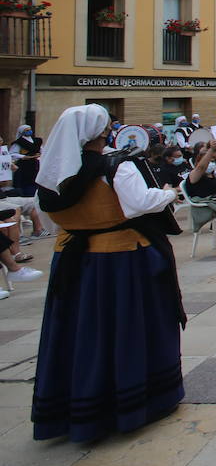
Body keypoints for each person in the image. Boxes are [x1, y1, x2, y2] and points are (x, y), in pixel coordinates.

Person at [32, 104, 184, 442]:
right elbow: (139, 204)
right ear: (102, 132)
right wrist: (170, 193)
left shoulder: (53, 171)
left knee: (78, 330)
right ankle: (131, 401)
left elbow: (44, 213)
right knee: (125, 327)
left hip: (72, 258)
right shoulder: (116, 166)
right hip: (119, 258)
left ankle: (75, 402)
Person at [11, 124, 40, 196]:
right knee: (24, 181)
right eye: (27, 130)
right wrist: (24, 156)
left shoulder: (36, 141)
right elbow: (12, 153)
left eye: (30, 130)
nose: (29, 131)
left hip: (35, 164)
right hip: (24, 165)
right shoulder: (19, 142)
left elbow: (41, 150)